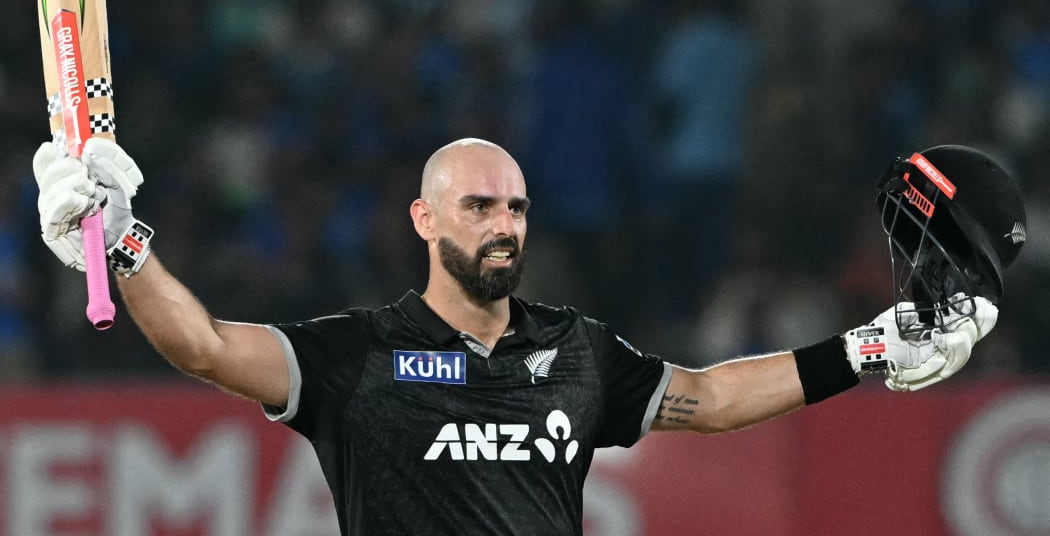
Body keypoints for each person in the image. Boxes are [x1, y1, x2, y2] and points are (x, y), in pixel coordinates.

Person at [32, 136, 1009, 535]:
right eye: (479, 206)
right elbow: (201, 341)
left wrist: (873, 348)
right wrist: (122, 243)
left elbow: (710, 399)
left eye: (516, 206)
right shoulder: (354, 354)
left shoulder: (579, 350)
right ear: (424, 219)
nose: (504, 222)